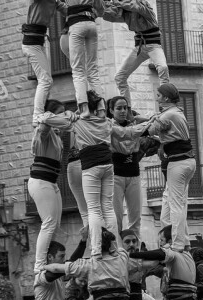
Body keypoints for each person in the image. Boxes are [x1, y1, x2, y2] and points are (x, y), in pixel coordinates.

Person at [36, 90, 152, 256]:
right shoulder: (105, 122)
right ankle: (115, 248)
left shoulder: (76, 121)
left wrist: (67, 114)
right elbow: (128, 133)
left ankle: (96, 249)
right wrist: (148, 123)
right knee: (108, 210)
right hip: (107, 166)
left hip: (85, 165)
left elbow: (47, 119)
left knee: (91, 211)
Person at [31, 0, 105, 118]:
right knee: (93, 71)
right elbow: (101, 10)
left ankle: (84, 109)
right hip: (91, 25)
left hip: (76, 26)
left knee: (78, 71)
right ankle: (102, 109)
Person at [105, 0, 170, 106]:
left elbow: (136, 6)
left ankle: (166, 102)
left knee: (163, 67)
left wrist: (118, 2)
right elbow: (109, 16)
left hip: (153, 47)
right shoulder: (126, 15)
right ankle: (127, 108)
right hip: (139, 49)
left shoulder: (145, 7)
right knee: (119, 77)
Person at [146, 83, 196, 246]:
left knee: (176, 206)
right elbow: (156, 124)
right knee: (168, 212)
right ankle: (179, 240)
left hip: (178, 163)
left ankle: (178, 243)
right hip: (186, 162)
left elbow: (149, 130)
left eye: (159, 95)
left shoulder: (168, 116)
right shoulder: (175, 112)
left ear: (166, 98)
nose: (156, 98)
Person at [28, 99, 67, 272]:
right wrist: (47, 117)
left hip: (51, 182)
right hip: (40, 182)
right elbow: (44, 125)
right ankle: (39, 264)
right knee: (49, 222)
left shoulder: (57, 135)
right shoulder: (45, 130)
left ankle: (50, 258)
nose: (63, 116)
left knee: (56, 225)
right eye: (61, 113)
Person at [23, 0, 67, 126]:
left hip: (37, 43)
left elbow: (69, 10)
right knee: (45, 80)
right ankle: (36, 116)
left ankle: (39, 114)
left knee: (47, 80)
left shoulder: (55, 2)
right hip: (32, 43)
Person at [108, 97, 144, 235]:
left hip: (134, 173)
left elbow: (148, 122)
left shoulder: (134, 124)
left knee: (136, 217)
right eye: (119, 108)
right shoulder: (109, 125)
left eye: (125, 108)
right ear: (111, 110)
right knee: (116, 217)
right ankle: (117, 250)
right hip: (116, 175)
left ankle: (135, 251)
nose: (123, 111)